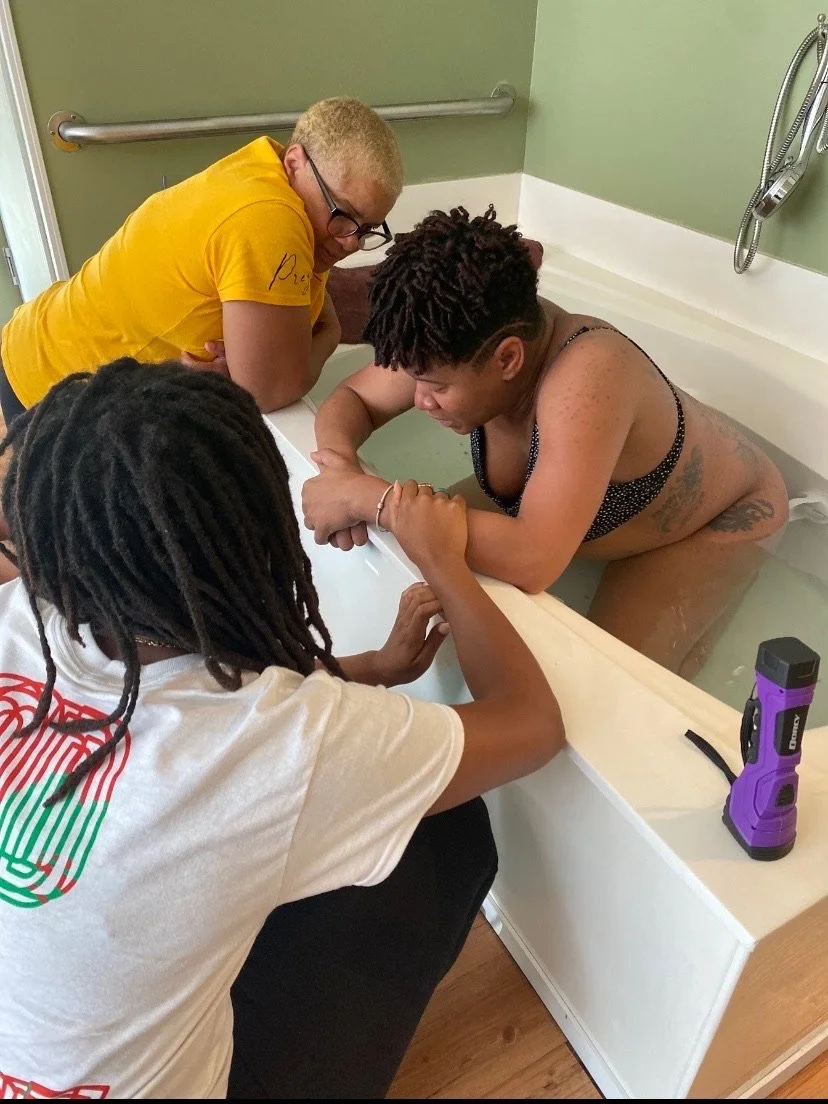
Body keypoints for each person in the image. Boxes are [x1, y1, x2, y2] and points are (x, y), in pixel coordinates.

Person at [0, 358, 563, 1099]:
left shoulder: (20, 623)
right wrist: (442, 560)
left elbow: (200, 710)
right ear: (249, 532)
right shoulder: (275, 749)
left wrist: (368, 668)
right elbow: (530, 725)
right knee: (445, 835)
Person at [302, 206, 789, 680]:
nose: (420, 399)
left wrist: (371, 498)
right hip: (567, 510)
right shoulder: (451, 331)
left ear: (508, 358)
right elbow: (352, 399)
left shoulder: (589, 377)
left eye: (437, 386)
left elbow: (534, 560)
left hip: (716, 519)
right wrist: (342, 469)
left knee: (614, 688)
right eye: (414, 380)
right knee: (426, 549)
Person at [0, 96, 402, 423]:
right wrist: (328, 337)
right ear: (295, 161)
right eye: (343, 214)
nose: (351, 243)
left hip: (38, 346)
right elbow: (267, 392)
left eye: (368, 228)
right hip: (43, 390)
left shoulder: (263, 169)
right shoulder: (269, 219)